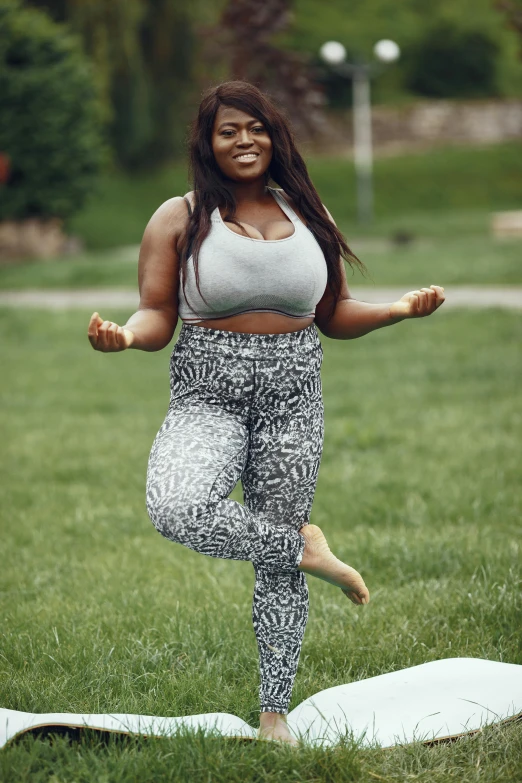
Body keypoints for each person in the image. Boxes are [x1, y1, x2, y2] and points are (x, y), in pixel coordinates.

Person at [87, 80, 445, 747]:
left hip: (293, 399)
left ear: (274, 136)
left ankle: (275, 713)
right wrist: (127, 336)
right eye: (228, 130)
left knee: (275, 573)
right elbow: (158, 311)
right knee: (176, 504)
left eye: (255, 127)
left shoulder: (310, 213)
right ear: (208, 143)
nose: (244, 140)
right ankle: (305, 545)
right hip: (208, 395)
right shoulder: (178, 217)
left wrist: (394, 310)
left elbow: (332, 313)